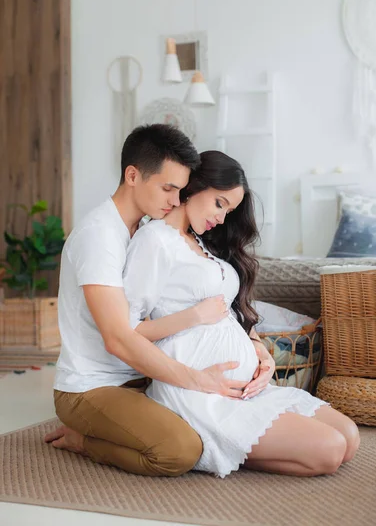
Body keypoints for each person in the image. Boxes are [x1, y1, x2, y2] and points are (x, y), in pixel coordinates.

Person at [45, 125, 268, 477]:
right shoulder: (98, 236)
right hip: (93, 386)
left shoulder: (147, 228)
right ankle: (81, 440)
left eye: (181, 190)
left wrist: (254, 345)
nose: (177, 199)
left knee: (225, 429)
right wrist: (195, 379)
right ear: (132, 175)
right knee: (180, 451)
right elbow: (119, 337)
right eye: (168, 188)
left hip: (142, 378)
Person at [123, 150, 360, 478]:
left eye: (229, 210)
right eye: (219, 203)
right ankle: (212, 446)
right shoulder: (154, 240)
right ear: (194, 186)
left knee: (349, 437)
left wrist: (259, 351)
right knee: (329, 451)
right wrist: (193, 316)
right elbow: (126, 331)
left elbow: (229, 312)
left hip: (246, 389)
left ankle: (228, 444)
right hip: (199, 390)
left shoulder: (203, 243)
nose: (221, 219)